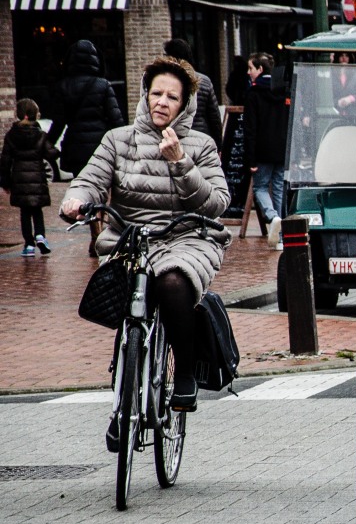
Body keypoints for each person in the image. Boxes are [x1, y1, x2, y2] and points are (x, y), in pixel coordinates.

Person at [60, 55, 231, 423]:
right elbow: (91, 178)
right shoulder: (118, 140)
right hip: (131, 236)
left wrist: (182, 163)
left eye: (172, 97)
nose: (162, 102)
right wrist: (77, 200)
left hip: (186, 237)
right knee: (125, 295)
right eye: (156, 93)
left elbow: (216, 203)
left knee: (172, 281)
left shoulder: (200, 145)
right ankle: (124, 393)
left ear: (184, 104)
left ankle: (183, 373)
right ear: (145, 95)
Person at [46, 39, 125, 256]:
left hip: (77, 146)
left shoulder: (63, 87)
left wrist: (45, 144)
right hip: (102, 146)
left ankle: (96, 233)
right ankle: (102, 232)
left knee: (87, 188)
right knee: (105, 189)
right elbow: (116, 119)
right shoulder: (103, 85)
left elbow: (58, 122)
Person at [0, 98, 60, 256]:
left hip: (19, 180)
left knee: (25, 213)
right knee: (37, 210)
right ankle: (40, 235)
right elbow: (51, 154)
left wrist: (5, 181)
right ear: (34, 115)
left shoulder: (11, 135)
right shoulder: (40, 135)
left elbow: (5, 160)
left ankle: (28, 244)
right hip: (37, 177)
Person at [242, 52, 288, 246]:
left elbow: (250, 128)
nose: (248, 72)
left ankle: (272, 217)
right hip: (282, 148)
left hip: (261, 149)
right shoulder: (284, 90)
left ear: (260, 70)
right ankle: (280, 236)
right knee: (278, 188)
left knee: (260, 186)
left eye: (251, 68)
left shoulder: (253, 93)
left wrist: (250, 158)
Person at [163, 38, 222, 152]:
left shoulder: (164, 81)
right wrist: (218, 146)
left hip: (173, 140)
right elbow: (214, 118)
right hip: (201, 138)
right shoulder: (204, 81)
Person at [331, 51, 356, 117]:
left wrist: (351, 99)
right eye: (341, 55)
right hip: (335, 117)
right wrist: (337, 102)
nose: (344, 58)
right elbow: (326, 99)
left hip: (354, 118)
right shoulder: (331, 76)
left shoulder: (355, 77)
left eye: (347, 56)